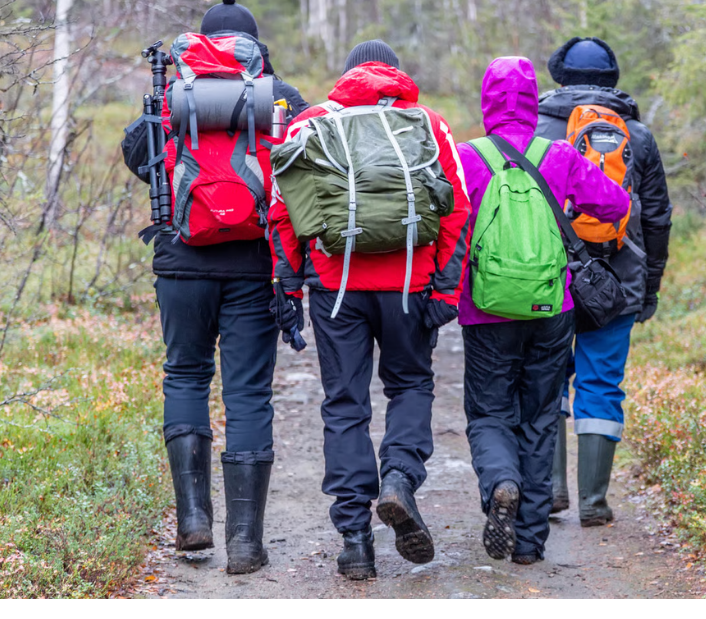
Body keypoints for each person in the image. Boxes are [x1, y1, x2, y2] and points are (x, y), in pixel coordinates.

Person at [268, 40, 470, 580]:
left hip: (336, 287)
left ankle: (355, 539)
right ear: (395, 75)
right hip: (409, 283)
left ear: (348, 74)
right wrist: (445, 290)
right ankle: (400, 478)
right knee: (409, 385)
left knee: (345, 404)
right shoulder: (427, 123)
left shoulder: (311, 123)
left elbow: (283, 211)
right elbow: (458, 207)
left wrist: (289, 284)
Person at [121, 0, 309, 574]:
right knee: (248, 393)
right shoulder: (278, 98)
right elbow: (307, 166)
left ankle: (193, 522)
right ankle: (247, 544)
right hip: (255, 265)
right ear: (256, 47)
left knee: (184, 374)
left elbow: (136, 152)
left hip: (180, 262)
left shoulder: (172, 93)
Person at [456, 56, 632, 565]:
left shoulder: (467, 158)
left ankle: (500, 484)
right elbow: (617, 206)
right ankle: (530, 542)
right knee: (538, 416)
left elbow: (444, 223)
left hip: (485, 310)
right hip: (552, 306)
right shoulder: (557, 155)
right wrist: (570, 214)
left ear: (486, 101)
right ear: (534, 101)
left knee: (489, 411)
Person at [536, 36, 672, 526]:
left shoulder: (536, 128)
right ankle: (594, 502)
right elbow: (656, 218)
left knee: (546, 380)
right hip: (620, 280)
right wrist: (649, 285)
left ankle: (548, 490)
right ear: (613, 78)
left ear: (559, 76)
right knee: (602, 384)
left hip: (548, 277)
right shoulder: (637, 135)